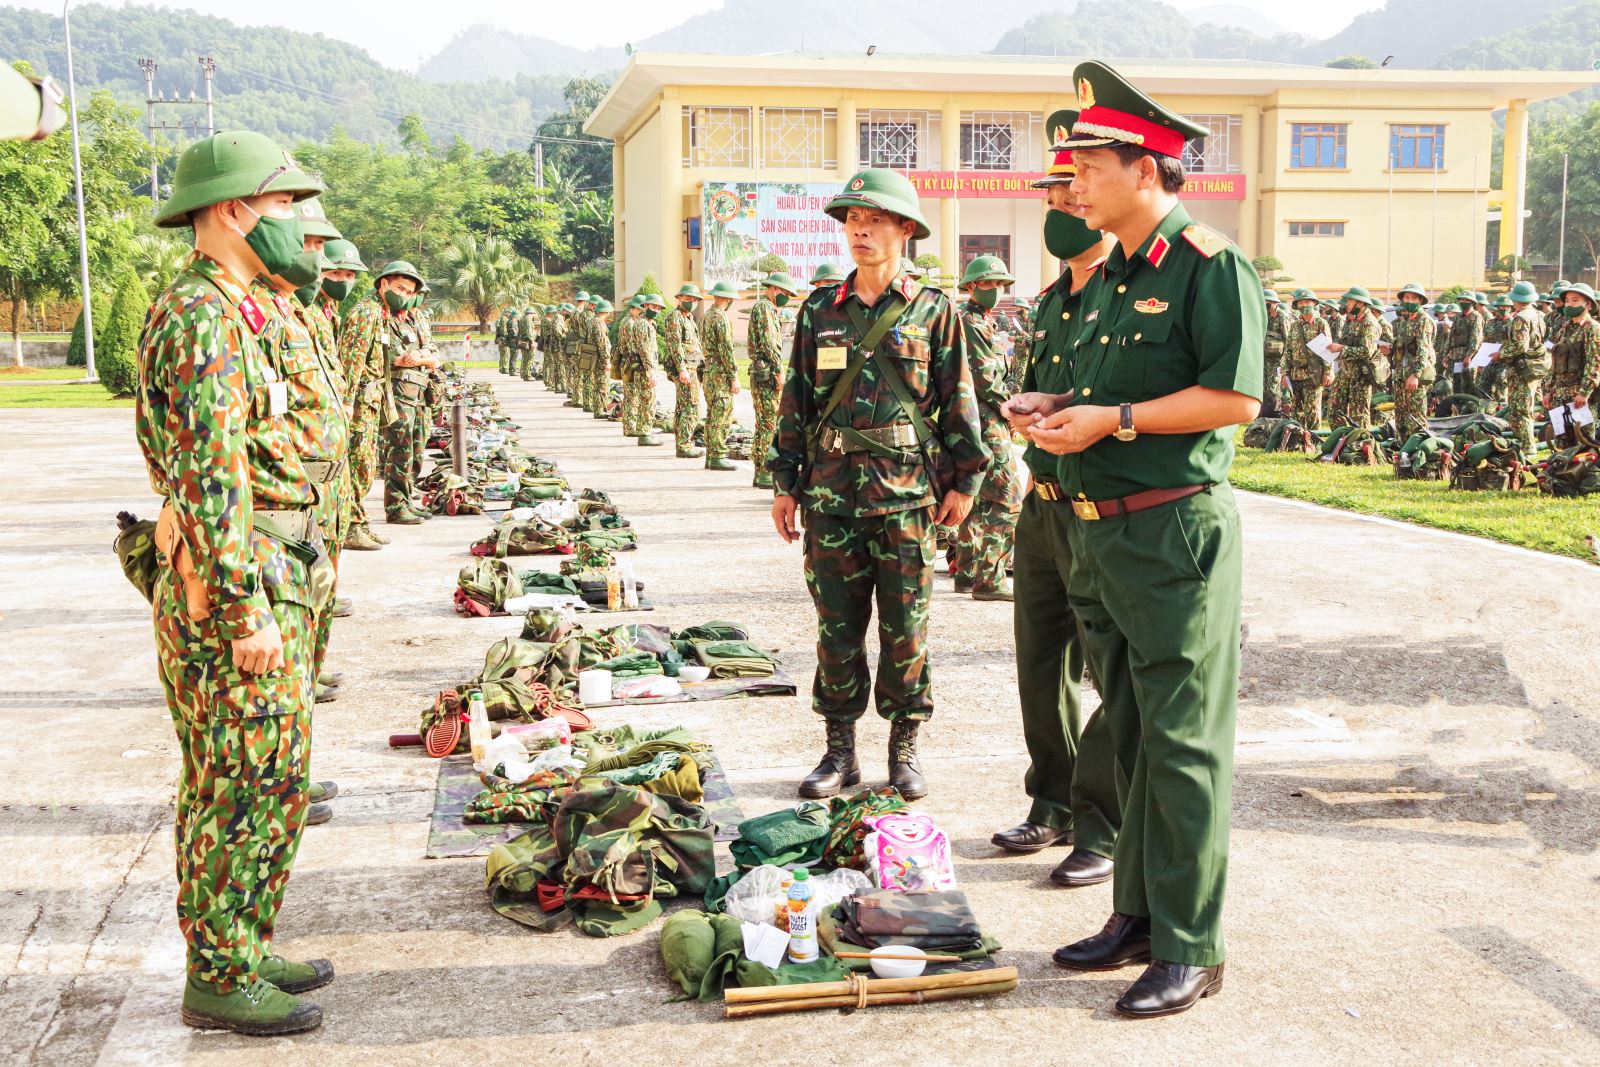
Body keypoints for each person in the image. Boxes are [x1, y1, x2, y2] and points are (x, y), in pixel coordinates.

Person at [1031, 61, 1262, 1019]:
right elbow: (1104, 395)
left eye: (1087, 162)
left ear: (1148, 168)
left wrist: (1113, 421)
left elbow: (1234, 399)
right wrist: (1051, 407)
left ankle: (1193, 942)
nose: (1070, 180)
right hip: (1098, 537)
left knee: (1181, 746)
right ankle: (1137, 911)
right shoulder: (1107, 278)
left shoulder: (1210, 266)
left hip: (1172, 535)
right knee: (1126, 732)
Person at [137, 130, 331, 1035]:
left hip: (270, 562)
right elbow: (210, 468)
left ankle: (242, 942)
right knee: (244, 778)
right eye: (285, 204)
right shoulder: (200, 313)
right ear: (233, 210)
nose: (297, 220)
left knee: (268, 772)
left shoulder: (241, 304)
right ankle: (218, 971)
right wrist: (244, 602)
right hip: (234, 581)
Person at [767, 168, 986, 802]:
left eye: (874, 222)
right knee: (836, 628)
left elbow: (958, 401)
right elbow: (795, 403)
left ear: (906, 231)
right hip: (832, 496)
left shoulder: (934, 311)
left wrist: (966, 479)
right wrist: (785, 484)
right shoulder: (819, 311)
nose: (859, 232)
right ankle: (839, 752)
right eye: (852, 223)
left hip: (909, 499)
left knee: (905, 629)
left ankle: (904, 748)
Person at [990, 112, 1122, 884]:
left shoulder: (1124, 297)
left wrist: (1066, 403)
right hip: (1041, 503)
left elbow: (1117, 395)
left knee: (1110, 672)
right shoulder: (1049, 302)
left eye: (1076, 198)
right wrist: (1029, 407)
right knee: (1040, 664)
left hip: (1099, 509)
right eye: (1055, 200)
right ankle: (1053, 800)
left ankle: (1102, 823)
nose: (1066, 209)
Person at [946, 254, 1022, 601]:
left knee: (976, 498)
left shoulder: (982, 320)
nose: (994, 290)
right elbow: (986, 378)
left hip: (976, 417)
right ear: (971, 286)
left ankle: (965, 571)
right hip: (986, 418)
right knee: (1007, 499)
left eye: (998, 284)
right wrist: (1010, 410)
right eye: (987, 284)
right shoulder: (972, 322)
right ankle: (990, 579)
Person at [749, 273, 801, 488]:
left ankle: (760, 470)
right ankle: (762, 471)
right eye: (786, 293)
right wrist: (779, 371)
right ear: (776, 289)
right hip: (767, 374)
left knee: (765, 422)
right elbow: (770, 343)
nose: (786, 297)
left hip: (763, 372)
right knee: (768, 424)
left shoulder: (765, 308)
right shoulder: (765, 308)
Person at [1495, 280, 1550, 456]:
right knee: (1526, 408)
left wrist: (1500, 354)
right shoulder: (1538, 316)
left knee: (1520, 411)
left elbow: (1520, 346)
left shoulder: (1521, 318)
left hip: (1521, 369)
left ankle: (1526, 448)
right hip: (1533, 367)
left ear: (1516, 299)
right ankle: (1523, 446)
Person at [1548, 282, 1600, 445]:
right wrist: (1549, 390)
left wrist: (1584, 392)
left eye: (1575, 300)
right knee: (1561, 442)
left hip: (1579, 396)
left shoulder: (1592, 328)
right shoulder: (1565, 328)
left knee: (1582, 444)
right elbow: (1555, 361)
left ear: (1588, 304)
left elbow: (1595, 363)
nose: (1570, 304)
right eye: (1568, 300)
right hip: (1559, 395)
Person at [1325, 285, 1382, 429]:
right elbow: (1345, 341)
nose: (1347, 304)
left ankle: (1361, 446)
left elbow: (1367, 351)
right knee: (1334, 409)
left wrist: (1342, 349)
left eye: (1350, 301)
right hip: (1345, 372)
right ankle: (1341, 441)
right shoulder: (1351, 321)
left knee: (1359, 414)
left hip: (1360, 375)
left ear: (1360, 303)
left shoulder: (1369, 323)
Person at [662, 284, 708, 458]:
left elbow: (694, 346)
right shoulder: (675, 317)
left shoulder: (689, 318)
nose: (691, 302)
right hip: (685, 370)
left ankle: (682, 443)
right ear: (680, 298)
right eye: (688, 299)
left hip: (692, 368)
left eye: (694, 300)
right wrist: (682, 370)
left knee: (684, 406)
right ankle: (684, 445)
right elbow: (675, 346)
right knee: (691, 406)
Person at [700, 281, 743, 470]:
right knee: (722, 413)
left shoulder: (706, 316)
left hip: (709, 370)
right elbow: (726, 348)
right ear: (727, 298)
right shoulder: (721, 318)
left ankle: (711, 454)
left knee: (712, 414)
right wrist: (733, 376)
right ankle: (717, 454)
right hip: (720, 373)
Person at [1390, 282, 1436, 441]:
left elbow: (1423, 349)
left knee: (1416, 417)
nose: (1409, 301)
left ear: (1420, 301)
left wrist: (1416, 375)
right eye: (1406, 298)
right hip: (1401, 374)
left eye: (1413, 298)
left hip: (1414, 375)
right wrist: (1390, 349)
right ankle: (1403, 451)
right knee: (1401, 416)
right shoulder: (1405, 320)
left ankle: (1418, 451)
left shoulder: (1423, 320)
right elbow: (1403, 346)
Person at [622, 292, 666, 446]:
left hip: (644, 367)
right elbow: (644, 349)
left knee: (646, 400)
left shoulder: (648, 323)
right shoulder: (642, 324)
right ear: (645, 306)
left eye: (659, 308)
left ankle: (644, 430)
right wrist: (650, 371)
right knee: (648, 401)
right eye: (654, 307)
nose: (657, 310)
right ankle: (645, 433)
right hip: (643, 369)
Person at [1284, 289, 1332, 429]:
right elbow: (1288, 351)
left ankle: (1314, 440)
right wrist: (1284, 373)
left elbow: (1328, 349)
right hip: (1295, 374)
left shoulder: (1320, 323)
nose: (1304, 305)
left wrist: (1328, 372)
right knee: (1296, 409)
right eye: (1301, 303)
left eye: (1307, 302)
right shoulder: (1294, 326)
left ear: (1313, 304)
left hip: (1313, 374)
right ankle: (1299, 438)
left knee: (1312, 410)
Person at [1447, 292, 1485, 396]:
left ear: (1472, 302)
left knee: (1468, 386)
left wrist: (1469, 355)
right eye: (1461, 300)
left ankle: (1469, 410)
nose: (1463, 302)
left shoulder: (1476, 317)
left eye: (1466, 300)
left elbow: (1475, 338)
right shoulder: (1458, 316)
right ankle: (1457, 409)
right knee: (1457, 386)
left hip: (1467, 358)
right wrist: (1447, 354)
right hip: (1456, 356)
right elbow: (1451, 336)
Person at [1261, 288, 1290, 418]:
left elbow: (1288, 339)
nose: (1266, 304)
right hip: (1265, 358)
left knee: (1274, 386)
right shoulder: (1264, 316)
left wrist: (1285, 361)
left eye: (1268, 302)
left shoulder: (1282, 316)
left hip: (1278, 359)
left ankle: (1276, 413)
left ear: (1275, 303)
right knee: (1265, 386)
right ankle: (1265, 414)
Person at [588, 298, 614, 417]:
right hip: (600, 359)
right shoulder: (599, 323)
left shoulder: (592, 321)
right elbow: (602, 343)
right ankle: (599, 410)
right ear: (608, 312)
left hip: (594, 357)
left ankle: (599, 408)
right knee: (602, 385)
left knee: (598, 384)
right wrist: (607, 360)